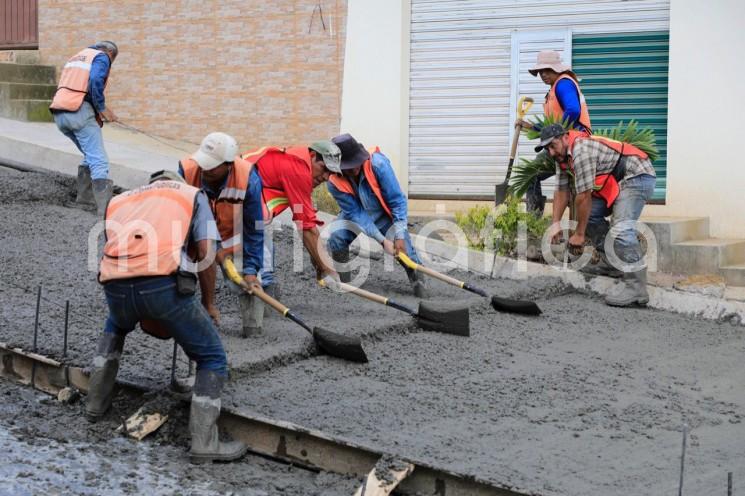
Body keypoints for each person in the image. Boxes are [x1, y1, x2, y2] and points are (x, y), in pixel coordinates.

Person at [87, 169, 247, 464]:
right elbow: (206, 253)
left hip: (115, 286)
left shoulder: (121, 201)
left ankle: (94, 406)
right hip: (162, 286)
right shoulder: (190, 196)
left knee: (115, 327)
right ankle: (204, 444)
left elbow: (118, 250)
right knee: (212, 357)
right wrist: (209, 304)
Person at [537, 124, 656, 307]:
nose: (551, 152)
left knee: (621, 227)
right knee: (589, 215)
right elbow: (561, 191)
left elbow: (583, 196)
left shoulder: (581, 151)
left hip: (638, 175)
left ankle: (636, 287)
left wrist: (579, 234)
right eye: (547, 149)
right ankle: (614, 264)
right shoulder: (562, 158)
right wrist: (555, 226)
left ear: (565, 137)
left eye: (553, 146)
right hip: (619, 180)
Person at [325, 133, 426, 297]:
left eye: (356, 162)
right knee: (337, 237)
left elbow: (397, 201)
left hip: (382, 212)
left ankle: (420, 285)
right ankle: (345, 285)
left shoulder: (378, 164)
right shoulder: (333, 182)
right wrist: (382, 240)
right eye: (348, 167)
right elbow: (356, 214)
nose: (354, 168)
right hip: (357, 213)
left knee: (405, 252)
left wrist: (399, 234)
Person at [517, 50, 592, 215]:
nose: (543, 74)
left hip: (574, 144)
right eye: (540, 71)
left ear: (557, 69)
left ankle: (534, 217)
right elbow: (552, 125)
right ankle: (534, 216)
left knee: (532, 173)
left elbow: (573, 110)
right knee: (533, 174)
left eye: (547, 70)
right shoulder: (552, 90)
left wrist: (556, 134)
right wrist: (530, 126)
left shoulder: (563, 84)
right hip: (560, 144)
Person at [50, 41, 119, 216]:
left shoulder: (78, 56)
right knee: (99, 160)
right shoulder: (102, 56)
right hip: (79, 111)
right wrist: (102, 108)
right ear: (110, 52)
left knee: (90, 154)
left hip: (60, 113)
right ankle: (104, 209)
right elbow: (95, 79)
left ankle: (84, 198)